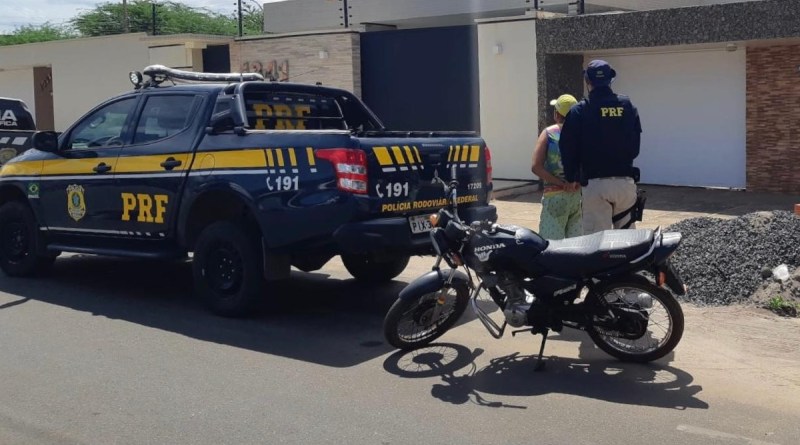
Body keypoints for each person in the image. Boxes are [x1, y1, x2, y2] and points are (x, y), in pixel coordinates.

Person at [559, 59, 642, 234]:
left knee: (596, 244)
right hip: (625, 183)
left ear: (587, 81)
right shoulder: (627, 106)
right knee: (628, 241)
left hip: (594, 184)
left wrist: (571, 176)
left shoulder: (579, 111)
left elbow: (567, 147)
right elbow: (635, 147)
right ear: (610, 80)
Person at [531, 93, 582, 240]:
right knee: (576, 246)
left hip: (555, 197)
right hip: (577, 196)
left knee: (552, 248)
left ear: (557, 114)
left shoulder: (549, 133)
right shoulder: (581, 134)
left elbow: (536, 166)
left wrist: (561, 183)